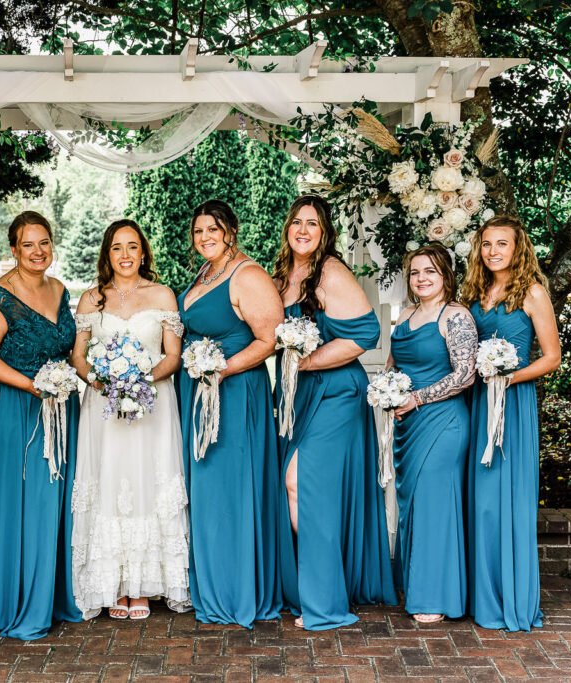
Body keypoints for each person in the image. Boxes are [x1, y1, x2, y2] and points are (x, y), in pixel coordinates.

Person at [272, 195, 396, 630]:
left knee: (299, 483)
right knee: (297, 487)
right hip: (300, 395)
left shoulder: (330, 271)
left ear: (325, 233)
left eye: (313, 224)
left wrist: (305, 361)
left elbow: (367, 332)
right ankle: (313, 585)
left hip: (337, 392)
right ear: (287, 228)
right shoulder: (284, 275)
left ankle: (324, 604)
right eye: (297, 222)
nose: (303, 230)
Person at [69, 219, 190, 621]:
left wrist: (137, 380)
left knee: (146, 482)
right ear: (107, 253)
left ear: (143, 252)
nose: (125, 255)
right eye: (117, 247)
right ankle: (113, 587)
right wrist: (103, 382)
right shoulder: (91, 299)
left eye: (132, 247)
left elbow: (172, 356)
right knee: (108, 482)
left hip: (151, 403)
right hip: (103, 408)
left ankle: (142, 586)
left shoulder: (162, 295)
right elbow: (78, 356)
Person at [0, 211, 81, 640]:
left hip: (60, 407)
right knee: (23, 504)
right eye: (28, 244)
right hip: (17, 410)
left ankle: (51, 597)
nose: (38, 252)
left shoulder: (60, 290)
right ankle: (18, 602)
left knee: (53, 502)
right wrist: (34, 385)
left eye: (44, 243)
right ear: (14, 249)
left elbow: (71, 349)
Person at [177, 199, 284, 628]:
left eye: (213, 229)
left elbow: (269, 339)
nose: (205, 237)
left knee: (231, 491)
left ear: (230, 231)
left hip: (235, 394)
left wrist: (221, 369)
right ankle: (211, 581)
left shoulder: (248, 275)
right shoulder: (205, 274)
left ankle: (237, 588)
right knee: (206, 491)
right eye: (199, 231)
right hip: (199, 393)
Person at [462, 215, 560, 632]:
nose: (493, 251)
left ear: (518, 249)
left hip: (511, 404)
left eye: (502, 244)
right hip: (472, 402)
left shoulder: (532, 292)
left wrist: (507, 377)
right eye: (486, 244)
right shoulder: (473, 291)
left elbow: (552, 357)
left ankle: (509, 599)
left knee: (504, 499)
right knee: (478, 499)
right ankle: (477, 594)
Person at [388, 243, 475, 624]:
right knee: (412, 506)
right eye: (415, 272)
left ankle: (436, 595)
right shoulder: (405, 315)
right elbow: (394, 364)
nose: (421, 278)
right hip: (408, 424)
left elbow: (465, 374)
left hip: (443, 421)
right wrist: (387, 392)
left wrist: (417, 398)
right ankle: (417, 583)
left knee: (434, 506)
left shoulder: (455, 316)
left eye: (431, 272)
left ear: (446, 276)